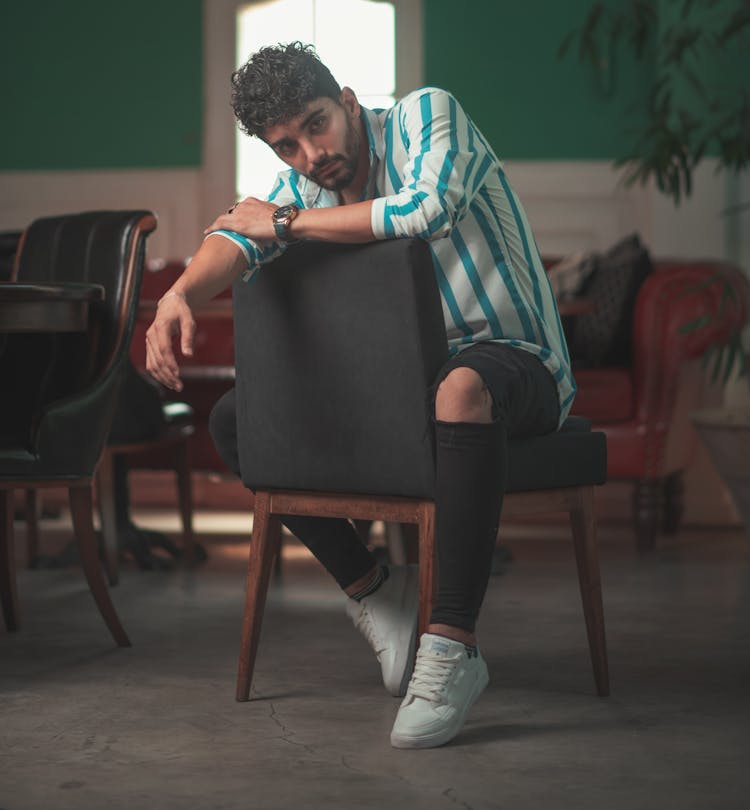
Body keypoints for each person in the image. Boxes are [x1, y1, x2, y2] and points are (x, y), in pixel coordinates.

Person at [146, 41, 575, 749]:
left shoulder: (425, 116)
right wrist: (177, 295)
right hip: (401, 390)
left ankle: (452, 646)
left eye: (316, 125)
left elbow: (424, 210)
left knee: (461, 386)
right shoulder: (306, 185)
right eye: (286, 147)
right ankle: (376, 590)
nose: (310, 156)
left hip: (514, 362)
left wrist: (281, 224)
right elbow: (236, 236)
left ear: (348, 102)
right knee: (237, 420)